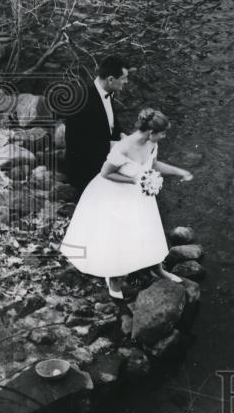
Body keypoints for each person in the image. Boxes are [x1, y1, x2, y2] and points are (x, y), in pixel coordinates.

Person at [60, 108, 193, 299]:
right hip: (114, 193)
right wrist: (134, 181)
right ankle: (114, 279)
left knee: (148, 230)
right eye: (162, 133)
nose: (164, 136)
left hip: (139, 194)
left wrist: (180, 171)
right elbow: (106, 173)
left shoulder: (151, 143)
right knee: (118, 237)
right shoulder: (124, 147)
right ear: (150, 132)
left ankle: (156, 268)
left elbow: (153, 164)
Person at [64, 55, 131, 197]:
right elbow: (76, 144)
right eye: (124, 78)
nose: (126, 82)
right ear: (111, 79)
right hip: (86, 169)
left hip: (103, 158)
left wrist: (121, 134)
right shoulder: (81, 101)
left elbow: (111, 122)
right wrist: (112, 146)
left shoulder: (107, 91)